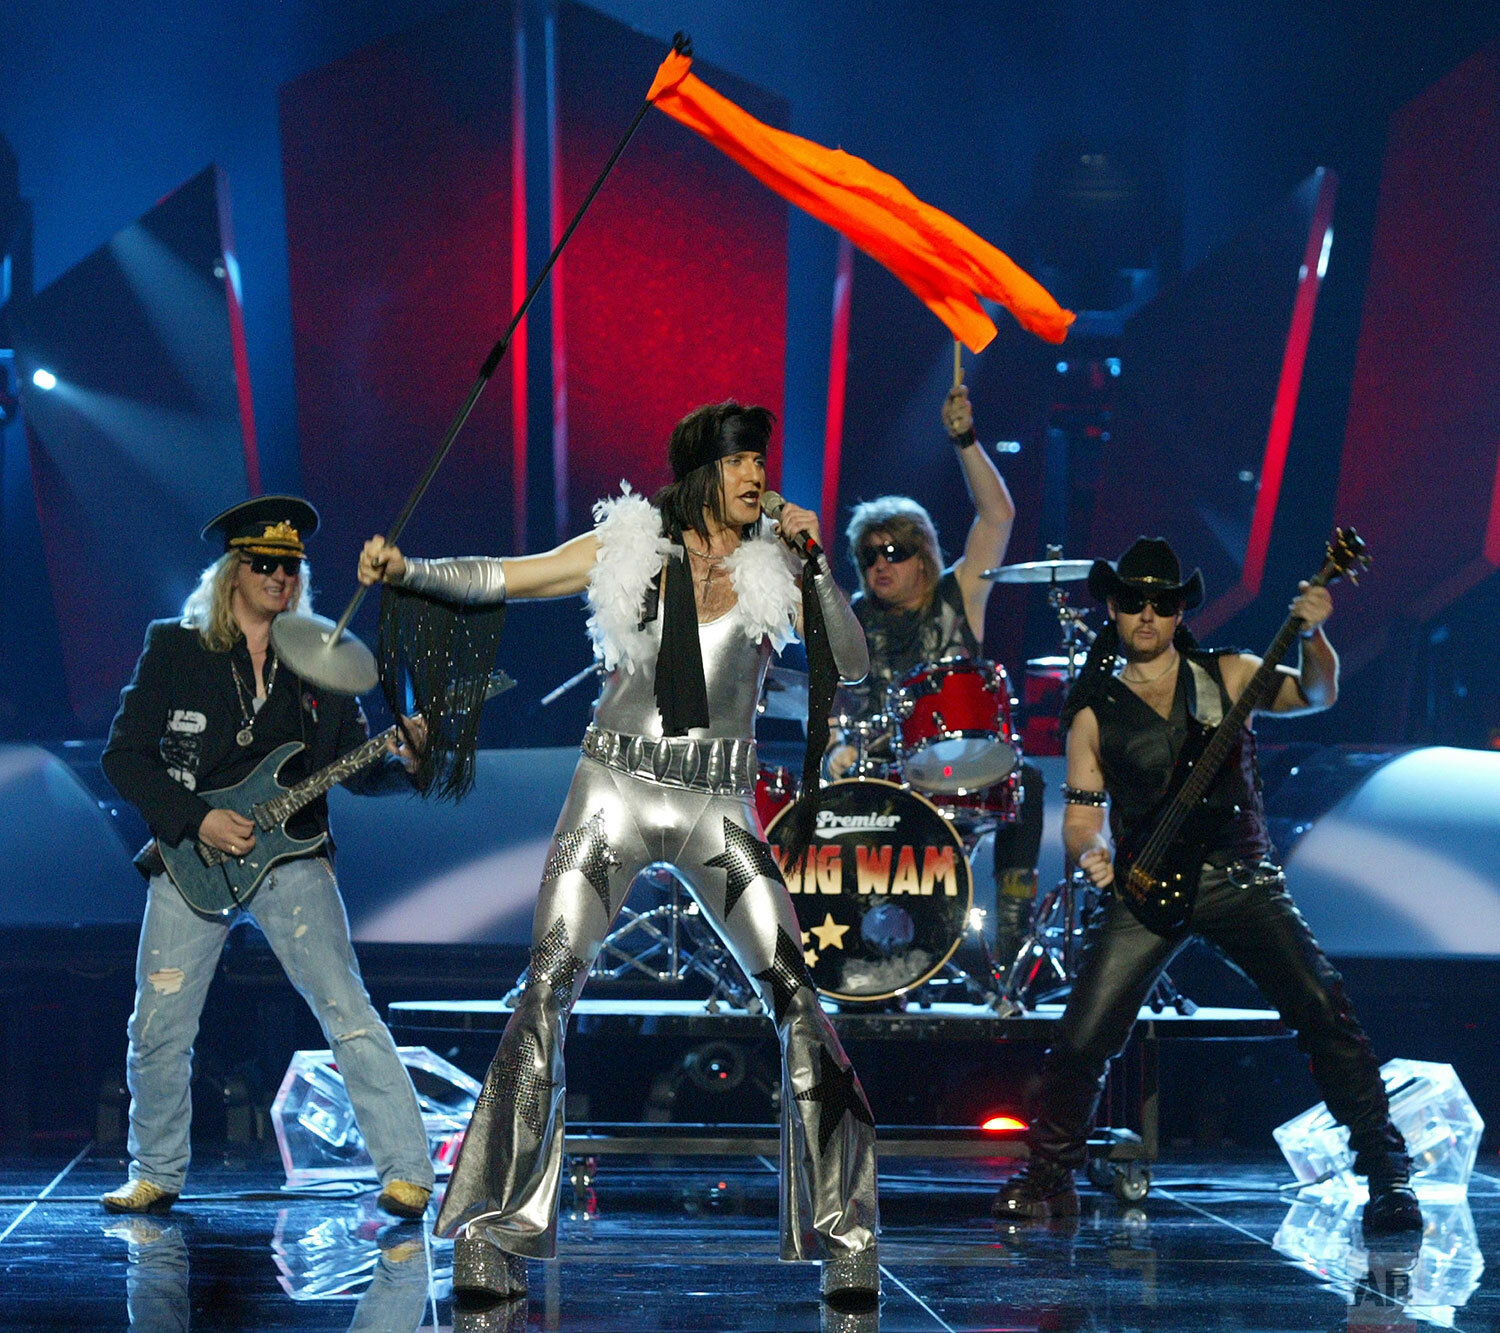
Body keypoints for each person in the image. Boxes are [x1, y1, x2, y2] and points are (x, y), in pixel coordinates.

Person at [360, 402, 880, 1309]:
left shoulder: (779, 567)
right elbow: (512, 578)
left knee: (799, 998)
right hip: (614, 791)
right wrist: (412, 570)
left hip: (719, 802)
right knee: (548, 987)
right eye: (741, 462)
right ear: (700, 473)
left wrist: (818, 562)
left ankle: (848, 1235)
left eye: (763, 461)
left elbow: (856, 662)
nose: (759, 475)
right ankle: (494, 1231)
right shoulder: (629, 545)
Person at [991, 537, 1422, 1235]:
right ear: (1113, 605)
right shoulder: (1095, 711)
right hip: (1147, 885)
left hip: (1239, 877)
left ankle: (1386, 1171)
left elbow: (1318, 692)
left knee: (1322, 1004)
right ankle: (1049, 1173)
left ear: (1179, 609)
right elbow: (1081, 814)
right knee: (1081, 1036)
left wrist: (1313, 633)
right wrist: (1092, 853)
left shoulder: (1228, 672)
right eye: (1134, 600)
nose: (1148, 614)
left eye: (1162, 602)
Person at [99, 497, 435, 1221]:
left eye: (292, 566)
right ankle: (154, 1171)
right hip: (193, 856)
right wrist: (198, 818)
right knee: (157, 1027)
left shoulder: (320, 658)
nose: (282, 576)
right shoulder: (175, 648)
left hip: (294, 855)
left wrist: (404, 761)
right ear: (232, 572)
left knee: (346, 1009)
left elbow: (353, 764)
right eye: (266, 564)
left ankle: (408, 1172)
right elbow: (123, 758)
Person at [840, 384, 1042, 962]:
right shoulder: (855, 616)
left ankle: (1010, 939)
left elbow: (998, 516)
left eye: (894, 552)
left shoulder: (960, 592)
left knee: (1025, 782)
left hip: (959, 764)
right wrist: (835, 744)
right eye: (870, 555)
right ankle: (863, 954)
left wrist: (965, 441)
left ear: (922, 554)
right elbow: (836, 704)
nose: (881, 564)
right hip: (883, 771)